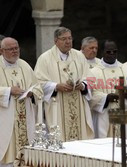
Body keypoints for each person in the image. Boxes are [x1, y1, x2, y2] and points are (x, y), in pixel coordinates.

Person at [34, 27, 94, 142]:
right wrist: (56, 86)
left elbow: (90, 78)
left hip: (78, 106)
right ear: (55, 41)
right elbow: (38, 83)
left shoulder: (79, 56)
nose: (68, 42)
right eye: (64, 39)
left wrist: (83, 85)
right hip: (57, 106)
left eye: (70, 38)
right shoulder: (45, 58)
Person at [0, 37, 43, 166]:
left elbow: (38, 87)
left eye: (16, 48)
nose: (15, 51)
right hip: (5, 119)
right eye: (10, 49)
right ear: (1, 51)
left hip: (25, 117)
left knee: (27, 157)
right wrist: (8, 91)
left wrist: (31, 92)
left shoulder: (24, 65)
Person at [88, 39, 127, 138]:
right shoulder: (93, 72)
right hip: (103, 116)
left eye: (115, 51)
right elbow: (91, 94)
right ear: (102, 52)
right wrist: (106, 98)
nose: (112, 54)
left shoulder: (126, 69)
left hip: (124, 113)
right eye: (108, 52)